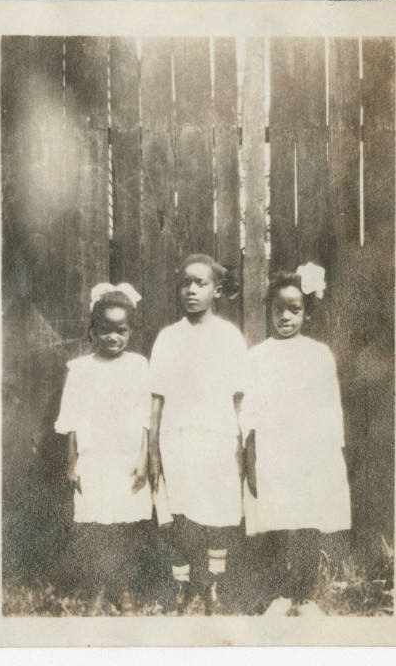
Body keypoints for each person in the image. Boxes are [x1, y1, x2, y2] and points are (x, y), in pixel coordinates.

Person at [242, 263, 351, 616]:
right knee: (275, 522)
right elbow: (251, 413)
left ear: (307, 312)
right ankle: (279, 595)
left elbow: (330, 407)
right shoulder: (258, 356)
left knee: (306, 521)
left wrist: (331, 454)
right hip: (274, 450)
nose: (285, 317)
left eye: (295, 309)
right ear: (269, 311)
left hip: (310, 451)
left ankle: (304, 595)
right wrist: (252, 457)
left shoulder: (318, 354)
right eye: (279, 309)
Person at [148, 254, 246, 614]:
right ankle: (184, 585)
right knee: (180, 517)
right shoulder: (168, 338)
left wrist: (241, 444)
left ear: (216, 290)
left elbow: (239, 398)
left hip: (218, 438)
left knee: (217, 515)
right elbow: (156, 399)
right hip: (177, 439)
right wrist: (154, 450)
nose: (191, 290)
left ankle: (212, 586)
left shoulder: (230, 337)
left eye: (200, 283)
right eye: (185, 283)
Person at [54, 282, 153, 611]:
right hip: (94, 458)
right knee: (96, 527)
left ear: (130, 332)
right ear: (92, 331)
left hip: (127, 459)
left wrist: (143, 459)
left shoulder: (138, 366)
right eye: (106, 330)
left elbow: (145, 418)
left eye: (121, 330)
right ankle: (98, 588)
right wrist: (72, 463)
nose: (114, 337)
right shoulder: (80, 369)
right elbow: (70, 419)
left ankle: (123, 589)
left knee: (126, 527)